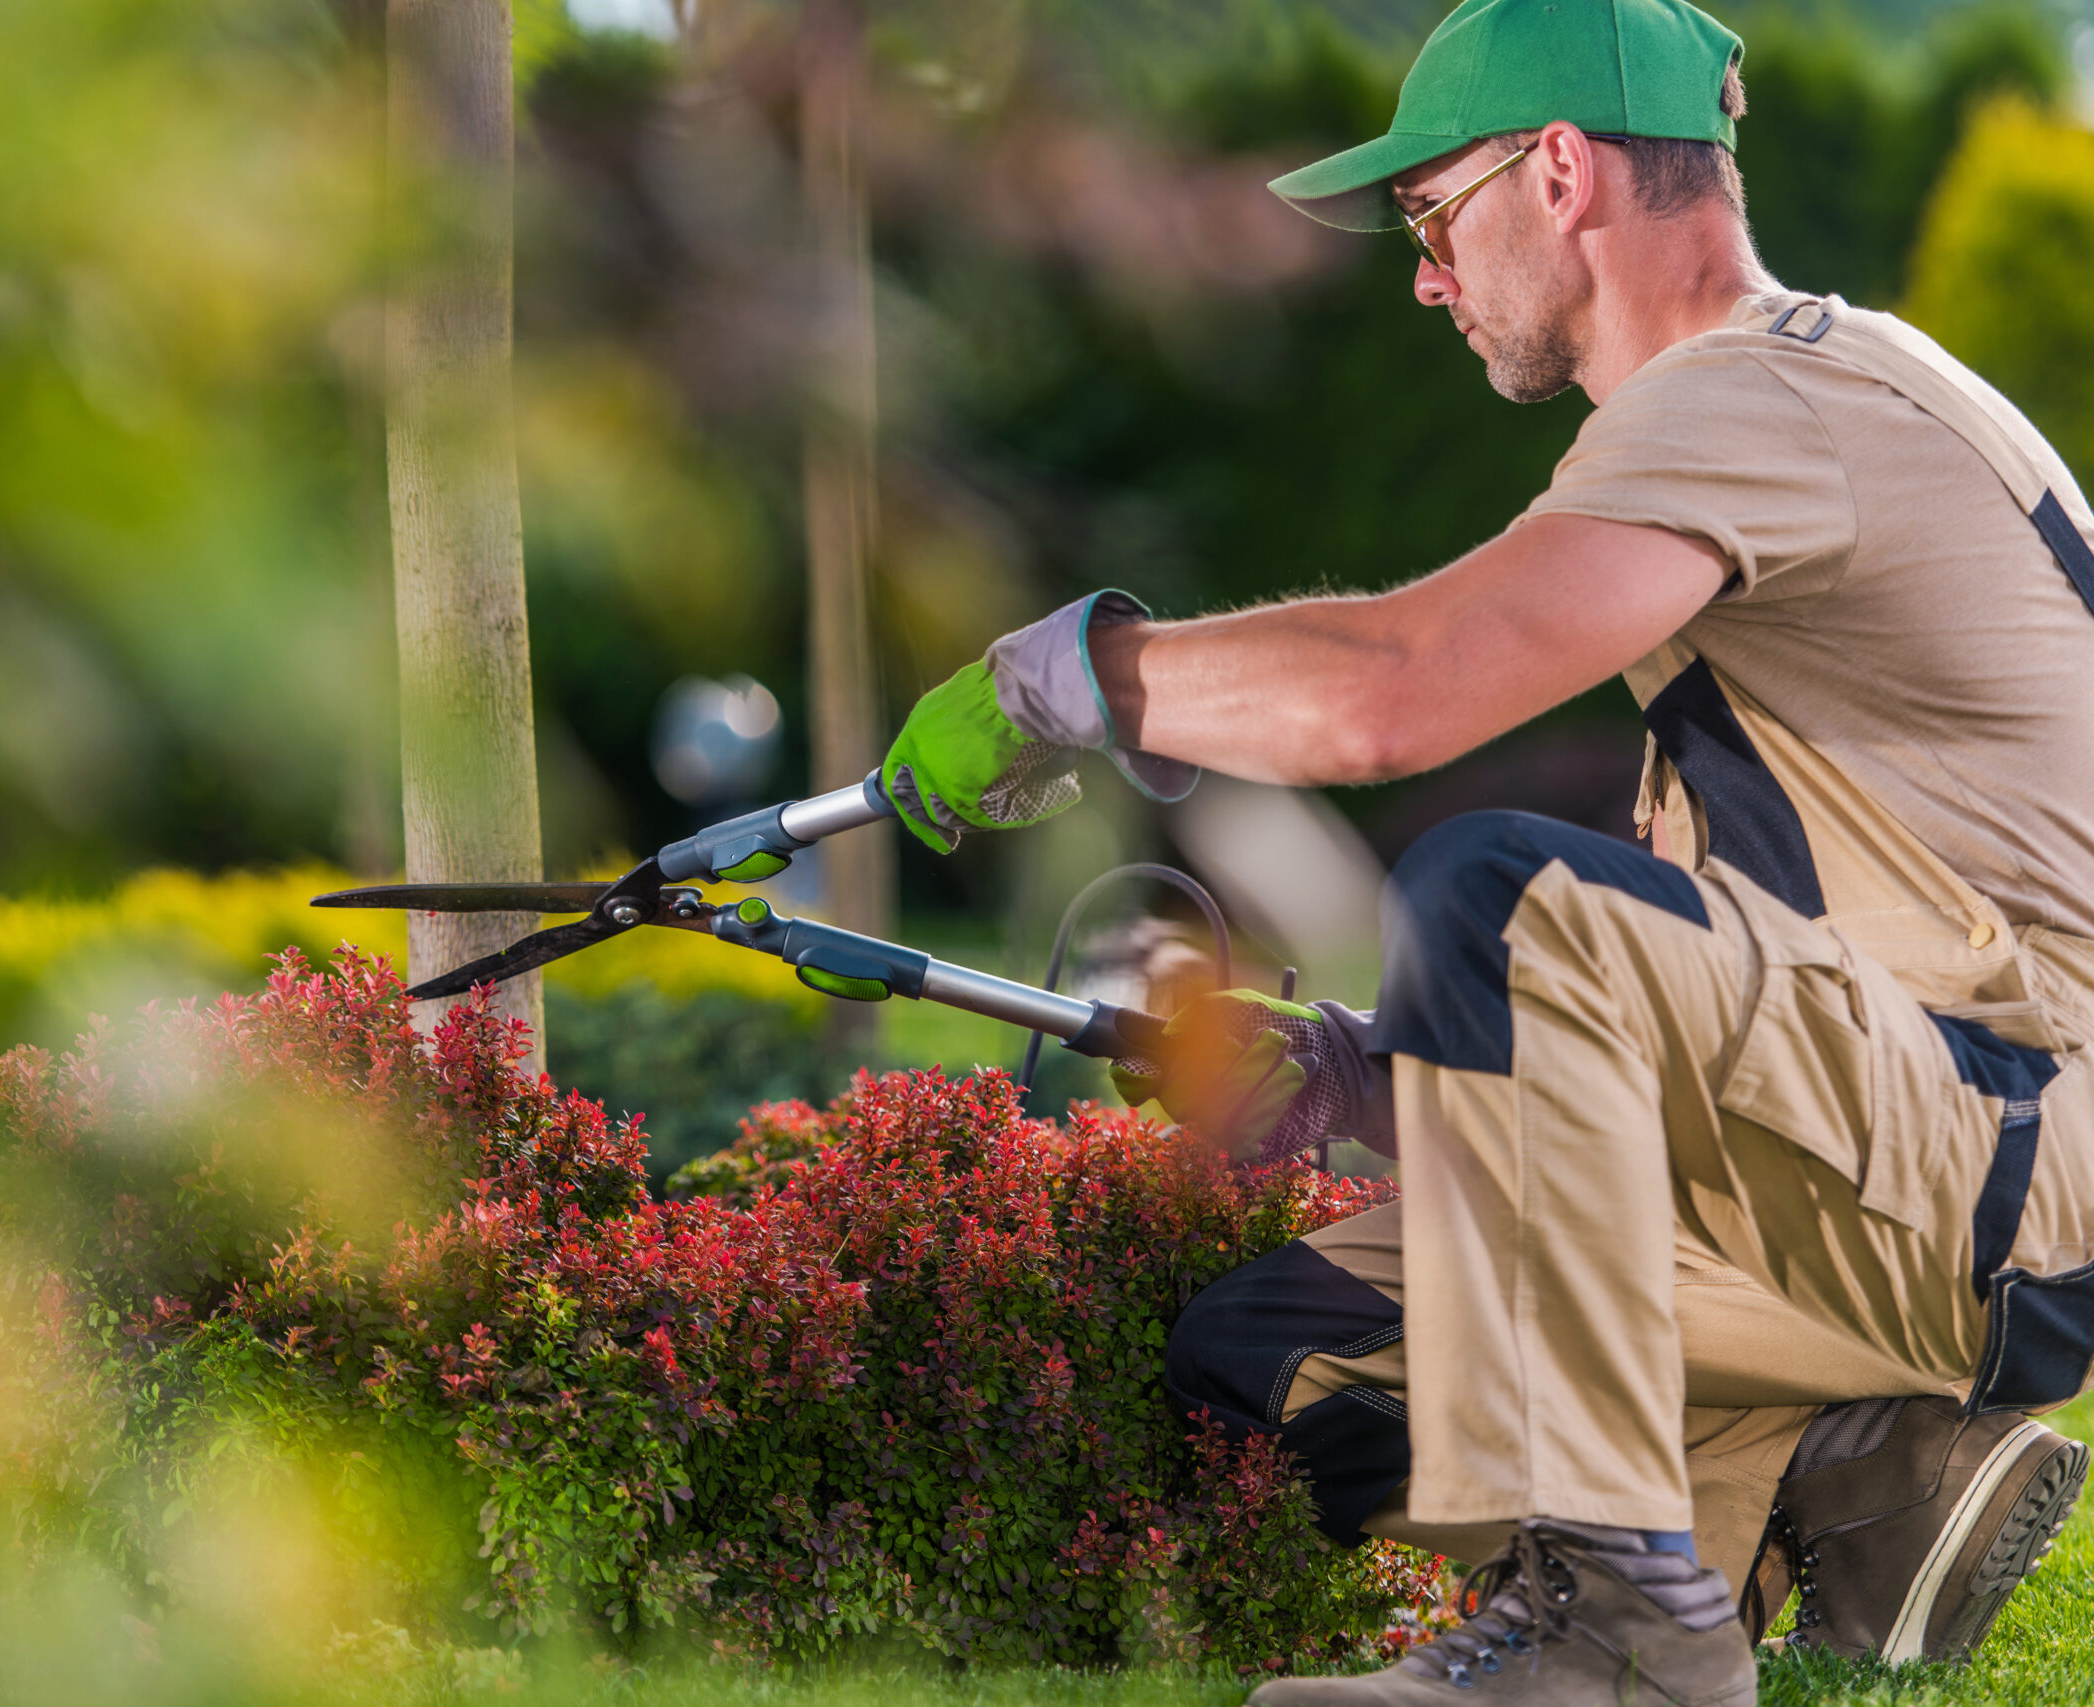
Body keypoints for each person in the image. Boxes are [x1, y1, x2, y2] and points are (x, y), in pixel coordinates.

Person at [877, 0, 2094, 1700]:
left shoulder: (1757, 395)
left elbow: (1398, 695)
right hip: (1872, 1150)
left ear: (1565, 174)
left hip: (1989, 1168)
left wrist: (1074, 678)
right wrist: (1361, 1083)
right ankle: (1850, 1488)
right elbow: (1720, 995)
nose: (1430, 278)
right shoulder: (1797, 409)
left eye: (1436, 218)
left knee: (1496, 890)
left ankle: (1628, 1632)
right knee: (1274, 1363)